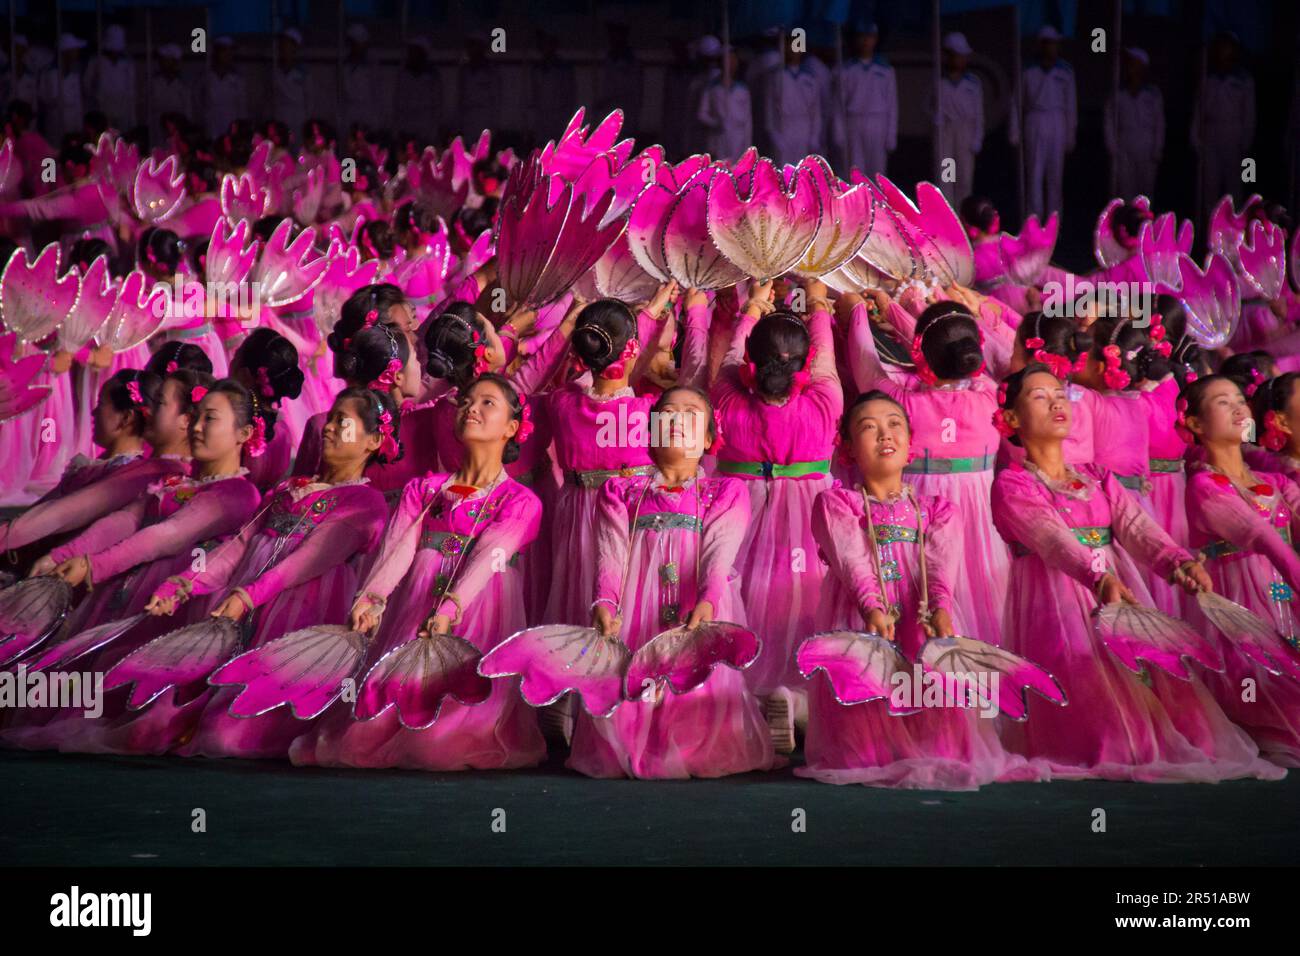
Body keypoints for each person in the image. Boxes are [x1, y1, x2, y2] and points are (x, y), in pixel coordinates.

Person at [991, 364, 1281, 781]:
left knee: (1150, 685)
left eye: (1059, 393)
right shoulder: (1013, 485)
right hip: (1056, 597)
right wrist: (1097, 577)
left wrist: (1176, 561)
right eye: (1040, 396)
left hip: (1116, 585)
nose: (1057, 402)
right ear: (1012, 419)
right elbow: (1052, 541)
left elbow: (1135, 527)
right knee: (1097, 701)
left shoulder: (1096, 476)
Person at [290, 374, 547, 772]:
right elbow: (398, 550)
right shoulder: (424, 489)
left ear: (512, 428)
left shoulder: (520, 500)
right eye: (466, 401)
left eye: (487, 403)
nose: (471, 409)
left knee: (438, 745)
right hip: (416, 610)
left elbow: (488, 558)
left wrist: (451, 607)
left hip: (478, 613)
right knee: (369, 728)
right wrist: (372, 599)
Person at [799, 390, 1040, 789]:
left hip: (921, 612)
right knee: (868, 701)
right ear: (848, 449)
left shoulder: (939, 509)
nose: (884, 435)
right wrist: (872, 606)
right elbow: (851, 558)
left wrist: (940, 608)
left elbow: (940, 564)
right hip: (863, 615)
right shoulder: (836, 503)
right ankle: (869, 746)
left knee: (932, 698)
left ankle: (932, 743)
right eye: (868, 428)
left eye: (894, 425)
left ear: (911, 443)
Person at [141, 387, 396, 759]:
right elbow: (238, 547)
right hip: (248, 606)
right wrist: (184, 585)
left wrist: (248, 596)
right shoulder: (285, 490)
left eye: (342, 422)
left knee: (229, 732)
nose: (328, 428)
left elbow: (307, 560)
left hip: (298, 616)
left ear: (373, 440)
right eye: (330, 418)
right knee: (171, 716)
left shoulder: (365, 503)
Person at [568, 386, 776, 778]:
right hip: (635, 610)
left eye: (691, 415)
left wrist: (708, 599)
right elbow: (610, 556)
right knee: (632, 690)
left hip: (698, 605)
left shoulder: (725, 491)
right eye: (667, 414)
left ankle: (694, 740)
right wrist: (605, 603)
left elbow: (719, 554)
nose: (678, 421)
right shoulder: (620, 490)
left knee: (694, 689)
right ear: (650, 433)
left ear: (711, 439)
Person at [1182, 374, 1300, 766]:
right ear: (1196, 424)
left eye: (1239, 400)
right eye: (1222, 402)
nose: (1237, 408)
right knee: (1273, 693)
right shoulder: (1203, 485)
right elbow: (1259, 535)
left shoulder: (1276, 481)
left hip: (1285, 603)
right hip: (1239, 615)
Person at [1010, 26, 1076, 219]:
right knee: (1035, 173)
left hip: (1057, 121)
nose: (1050, 48)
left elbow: (1070, 105)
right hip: (1035, 120)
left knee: (1055, 175)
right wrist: (1014, 130)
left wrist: (1071, 133)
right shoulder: (1028, 70)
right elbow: (1017, 102)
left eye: (1054, 43)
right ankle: (1034, 218)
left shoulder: (1065, 71)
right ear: (1040, 45)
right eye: (1047, 43)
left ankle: (1055, 219)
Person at [1192, 31, 1255, 216]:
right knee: (1210, 184)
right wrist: (1195, 136)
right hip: (1212, 133)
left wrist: (1246, 141)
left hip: (1233, 134)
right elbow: (1199, 109)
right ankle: (1211, 225)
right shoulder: (1208, 78)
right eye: (1221, 46)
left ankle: (1234, 226)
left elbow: (1249, 113)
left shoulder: (1244, 80)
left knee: (1234, 183)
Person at [831, 23, 896, 177]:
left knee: (878, 170)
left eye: (870, 37)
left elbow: (892, 104)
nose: (866, 41)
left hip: (878, 121)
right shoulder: (846, 70)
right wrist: (838, 131)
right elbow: (838, 104)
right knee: (855, 169)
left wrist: (891, 133)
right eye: (862, 37)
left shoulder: (885, 70)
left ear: (875, 39)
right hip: (854, 121)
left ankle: (877, 201)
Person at [1104, 48, 1164, 200]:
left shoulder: (1153, 94)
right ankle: (1127, 222)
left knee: (1146, 191)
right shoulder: (1118, 93)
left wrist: (1157, 147)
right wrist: (1112, 147)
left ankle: (1144, 223)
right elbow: (1109, 120)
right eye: (1129, 63)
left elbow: (1159, 122)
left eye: (1134, 63)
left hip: (1146, 144)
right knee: (1125, 190)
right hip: (1125, 143)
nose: (1129, 67)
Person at [933, 32, 984, 206]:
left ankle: (964, 219)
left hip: (965, 133)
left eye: (963, 56)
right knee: (948, 177)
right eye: (956, 55)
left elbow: (978, 114)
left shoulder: (973, 83)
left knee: (964, 178)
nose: (960, 60)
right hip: (947, 133)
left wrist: (977, 137)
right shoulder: (940, 82)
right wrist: (935, 117)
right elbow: (927, 105)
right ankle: (949, 214)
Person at [765, 46, 821, 167]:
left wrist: (814, 135)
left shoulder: (810, 77)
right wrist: (773, 133)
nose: (794, 51)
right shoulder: (777, 76)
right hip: (784, 127)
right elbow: (769, 109)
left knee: (803, 168)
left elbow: (815, 110)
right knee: (784, 167)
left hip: (803, 127)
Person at [696, 42, 751, 164]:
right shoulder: (712, 88)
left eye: (733, 59)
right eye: (728, 60)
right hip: (718, 138)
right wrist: (716, 122)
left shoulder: (742, 89)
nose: (732, 63)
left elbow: (748, 120)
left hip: (738, 138)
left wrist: (748, 145)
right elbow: (702, 114)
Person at [83, 24, 136, 134]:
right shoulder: (96, 61)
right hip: (102, 108)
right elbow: (87, 84)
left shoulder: (127, 63)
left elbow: (131, 88)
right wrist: (95, 99)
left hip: (122, 109)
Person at [38, 34, 87, 143]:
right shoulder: (48, 73)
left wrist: (79, 126)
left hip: (73, 125)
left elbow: (78, 102)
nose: (77, 54)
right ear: (66, 52)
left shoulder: (75, 74)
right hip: (55, 123)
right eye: (74, 51)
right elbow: (45, 98)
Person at [393, 36, 440, 146]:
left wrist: (433, 131)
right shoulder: (403, 74)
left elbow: (437, 105)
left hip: (425, 128)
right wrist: (397, 129)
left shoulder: (433, 76)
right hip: (406, 128)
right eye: (410, 51)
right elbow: (397, 103)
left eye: (415, 51)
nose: (412, 55)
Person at [204, 36, 246, 140]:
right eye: (224, 51)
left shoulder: (237, 80)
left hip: (231, 127)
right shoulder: (205, 78)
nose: (228, 55)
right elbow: (198, 105)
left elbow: (242, 107)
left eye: (230, 51)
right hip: (211, 128)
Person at [273, 28, 309, 138]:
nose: (283, 48)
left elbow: (309, 100)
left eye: (287, 44)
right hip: (279, 118)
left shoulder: (304, 73)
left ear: (294, 47)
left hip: (298, 120)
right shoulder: (275, 72)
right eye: (282, 44)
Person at [152, 45, 191, 140]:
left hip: (178, 131)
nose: (162, 63)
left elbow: (188, 110)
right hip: (157, 131)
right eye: (162, 60)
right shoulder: (153, 82)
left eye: (166, 60)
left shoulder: (184, 85)